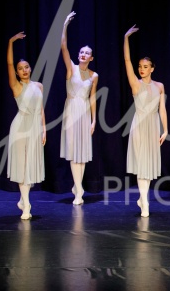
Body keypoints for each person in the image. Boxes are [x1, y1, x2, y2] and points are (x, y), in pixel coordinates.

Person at [123, 25, 168, 217]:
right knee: (142, 164)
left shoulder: (160, 86)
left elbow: (162, 109)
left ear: (152, 68)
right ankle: (146, 202)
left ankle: (143, 198)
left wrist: (165, 130)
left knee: (148, 165)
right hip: (139, 125)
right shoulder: (135, 83)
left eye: (145, 67)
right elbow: (127, 60)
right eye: (140, 66)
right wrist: (126, 38)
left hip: (153, 126)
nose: (141, 69)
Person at [60, 11, 99, 205]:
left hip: (84, 111)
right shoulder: (71, 68)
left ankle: (78, 186)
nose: (83, 54)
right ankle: (78, 191)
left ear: (91, 58)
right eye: (81, 52)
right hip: (71, 110)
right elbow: (63, 46)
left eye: (87, 53)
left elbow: (92, 98)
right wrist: (65, 25)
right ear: (78, 55)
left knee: (82, 152)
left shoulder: (94, 75)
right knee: (74, 150)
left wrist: (94, 120)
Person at [7, 32, 46, 220]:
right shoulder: (17, 86)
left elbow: (41, 109)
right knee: (23, 168)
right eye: (20, 68)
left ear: (30, 68)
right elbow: (9, 63)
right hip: (20, 128)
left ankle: (23, 200)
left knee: (30, 167)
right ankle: (27, 206)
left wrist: (44, 129)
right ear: (16, 72)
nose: (24, 70)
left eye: (26, 67)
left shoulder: (39, 86)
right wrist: (11, 42)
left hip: (35, 128)